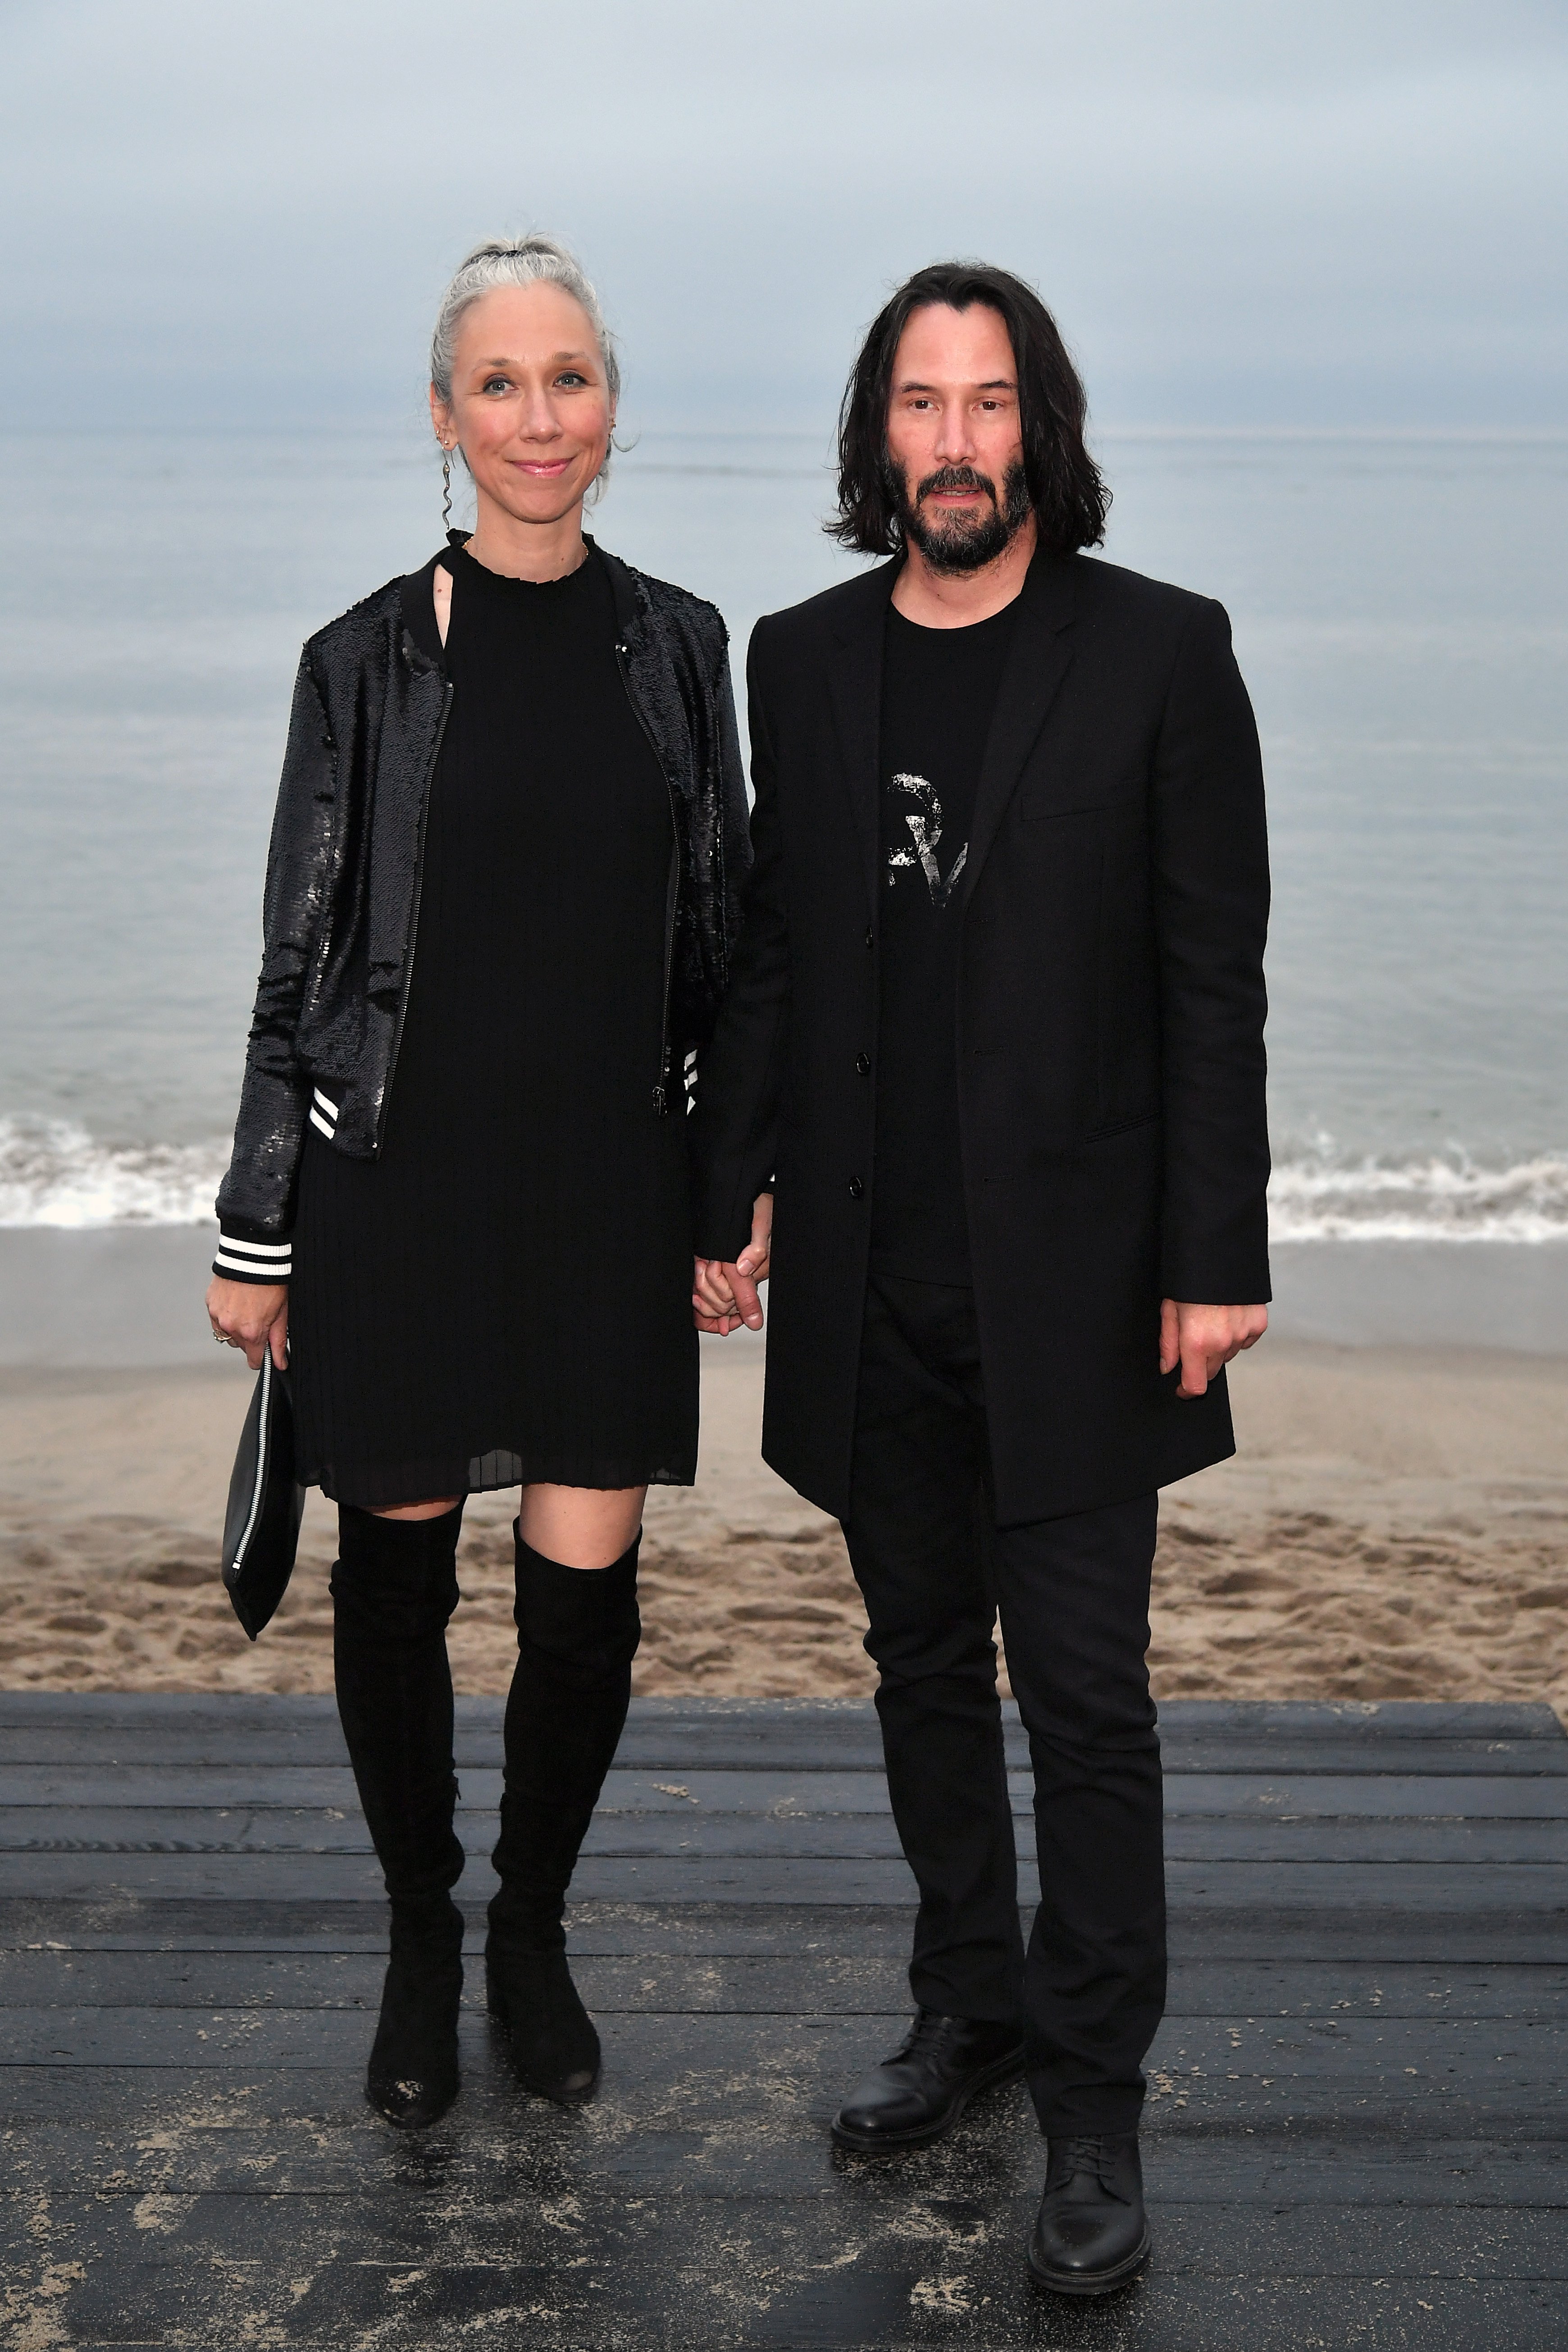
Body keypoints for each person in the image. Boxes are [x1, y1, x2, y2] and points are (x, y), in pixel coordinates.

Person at [691, 262, 1269, 2296]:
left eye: (990, 402)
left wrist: (1218, 1255)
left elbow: (1214, 976)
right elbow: (775, 951)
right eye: (920, 406)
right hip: (871, 1277)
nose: (954, 441)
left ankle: (1095, 2103)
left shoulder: (1163, 654)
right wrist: (726, 1184)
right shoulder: (804, 657)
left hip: (1089, 1282)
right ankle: (975, 2012)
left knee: (1090, 1702)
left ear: (1043, 430)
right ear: (877, 437)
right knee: (922, 1669)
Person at [207, 235, 749, 2131]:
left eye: (571, 377)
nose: (541, 416)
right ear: (445, 419)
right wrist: (258, 1224)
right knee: (399, 1583)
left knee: (584, 1599)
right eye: (501, 384)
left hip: (608, 1189)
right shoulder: (355, 664)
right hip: (402, 1190)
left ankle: (533, 1930)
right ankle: (422, 1941)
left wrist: (724, 1189)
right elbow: (301, 958)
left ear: (613, 408)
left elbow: (723, 952)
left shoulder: (683, 648)